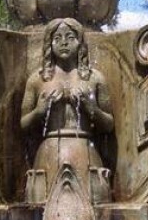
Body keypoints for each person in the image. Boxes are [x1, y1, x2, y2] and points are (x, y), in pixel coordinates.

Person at [21, 18, 114, 203]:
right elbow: (24, 123)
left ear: (80, 42)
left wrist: (91, 108)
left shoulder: (94, 78)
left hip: (86, 153)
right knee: (42, 212)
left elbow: (109, 125)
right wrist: (40, 111)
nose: (64, 42)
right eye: (57, 38)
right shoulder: (37, 79)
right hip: (48, 154)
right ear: (49, 43)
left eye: (70, 37)